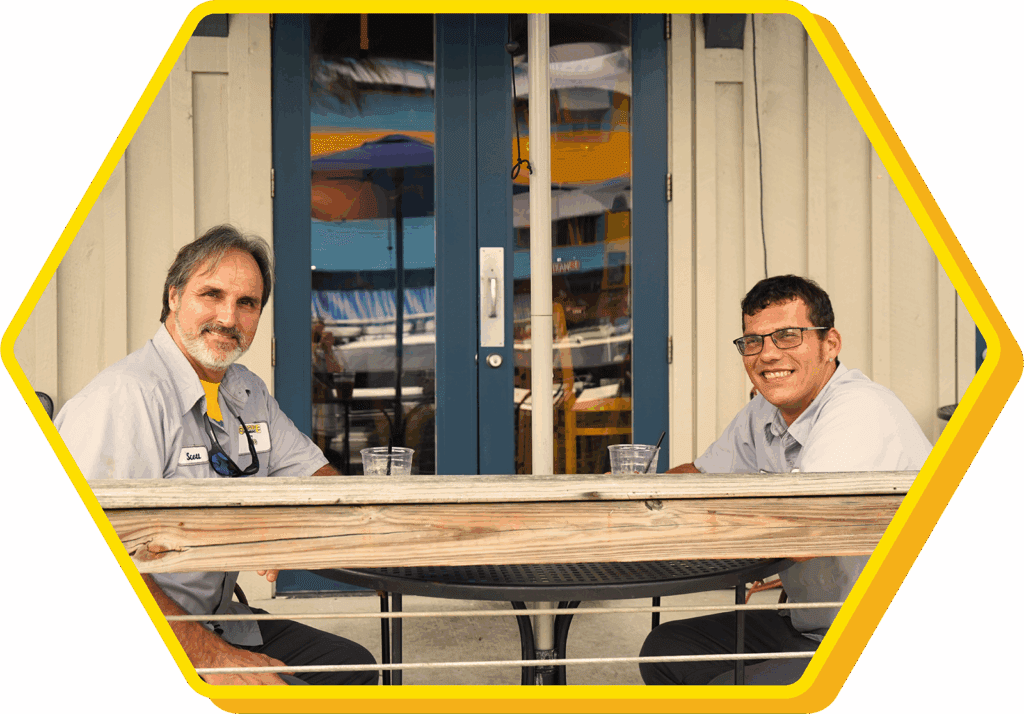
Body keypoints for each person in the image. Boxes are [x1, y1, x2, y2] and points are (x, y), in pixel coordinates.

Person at [55, 225, 378, 686]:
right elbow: (87, 560)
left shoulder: (246, 392)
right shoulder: (126, 398)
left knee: (354, 668)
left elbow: (317, 480)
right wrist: (213, 658)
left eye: (247, 303)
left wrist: (286, 530)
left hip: (220, 619)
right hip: (137, 635)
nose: (229, 317)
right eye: (212, 294)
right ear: (173, 297)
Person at [639, 275, 931, 686]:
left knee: (730, 692)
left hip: (883, 636)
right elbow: (700, 478)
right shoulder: (763, 412)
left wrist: (708, 523)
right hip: (812, 625)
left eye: (787, 337)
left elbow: (803, 534)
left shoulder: (860, 409)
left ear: (831, 344)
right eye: (753, 341)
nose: (768, 355)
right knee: (667, 649)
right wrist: (632, 494)